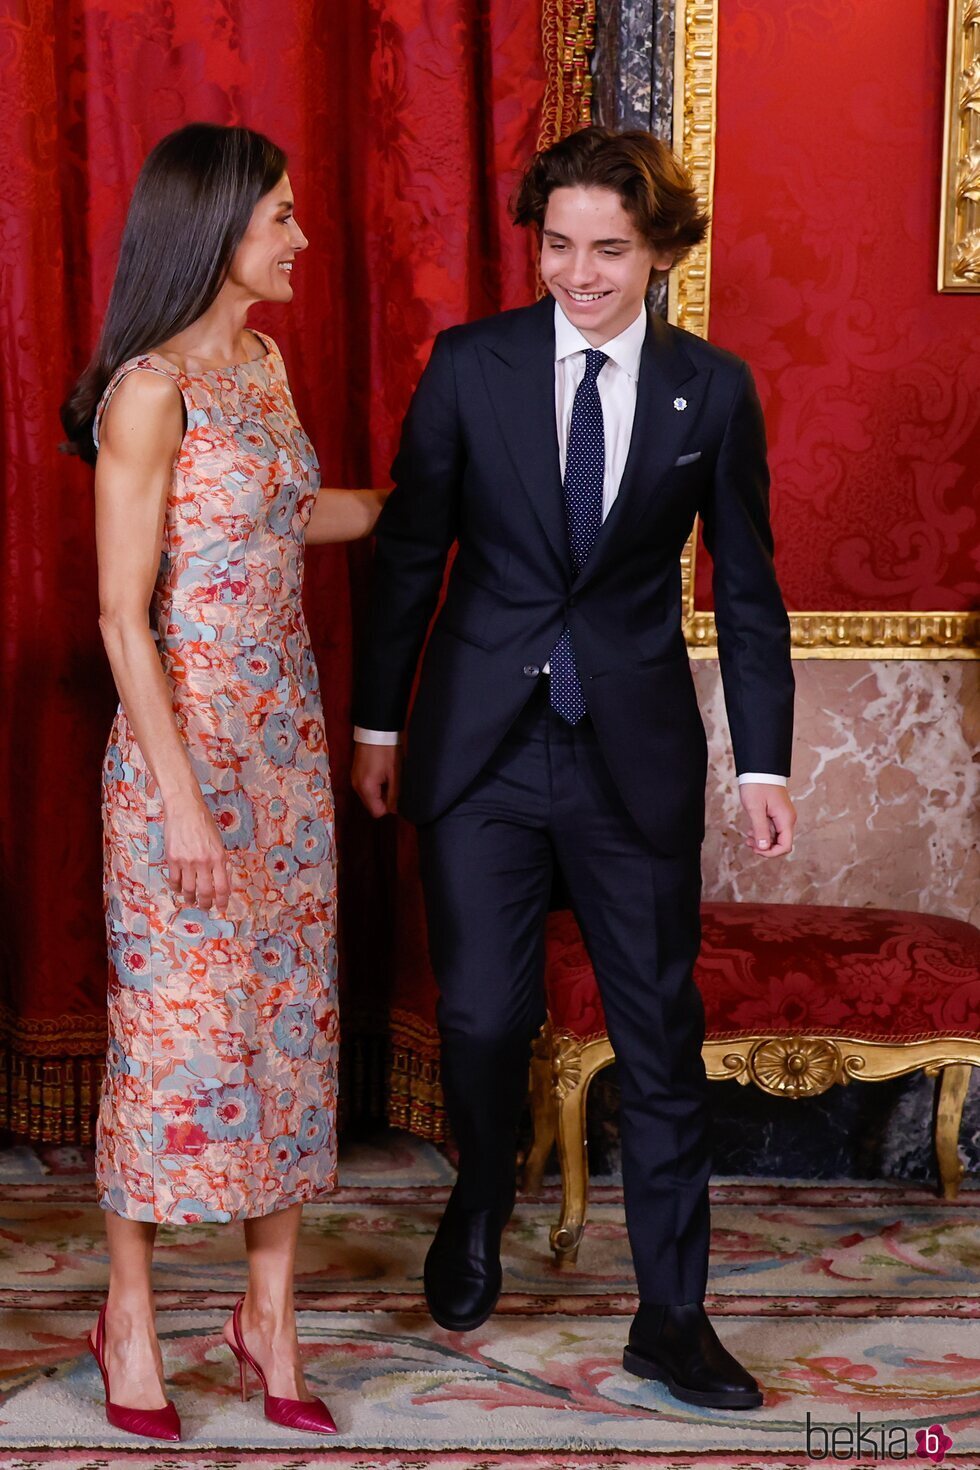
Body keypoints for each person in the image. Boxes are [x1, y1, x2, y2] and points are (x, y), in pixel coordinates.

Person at [352, 125, 796, 1411]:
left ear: (658, 252)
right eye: (557, 245)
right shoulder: (468, 366)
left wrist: (760, 762)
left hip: (630, 760)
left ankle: (671, 1320)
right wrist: (377, 730)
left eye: (607, 249)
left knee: (661, 1045)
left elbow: (751, 590)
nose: (578, 273)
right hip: (481, 750)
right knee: (484, 1016)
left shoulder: (710, 389)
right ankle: (482, 1189)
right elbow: (409, 558)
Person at [61, 122, 385, 1442]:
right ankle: (130, 1314)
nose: (302, 239)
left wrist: (428, 499)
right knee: (172, 1040)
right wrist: (186, 795)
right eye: (283, 220)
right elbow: (120, 617)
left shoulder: (261, 361)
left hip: (288, 758)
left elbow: (284, 513)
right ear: (219, 231)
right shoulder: (148, 390)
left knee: (290, 1031)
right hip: (179, 766)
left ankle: (269, 1312)